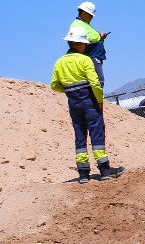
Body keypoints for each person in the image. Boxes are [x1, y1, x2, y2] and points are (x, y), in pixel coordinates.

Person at [51, 29, 124, 184]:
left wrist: (70, 90)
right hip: (89, 101)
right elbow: (95, 83)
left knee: (80, 136)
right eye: (84, 43)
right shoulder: (85, 60)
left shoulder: (59, 62)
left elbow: (55, 85)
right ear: (79, 44)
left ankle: (83, 174)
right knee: (96, 133)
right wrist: (99, 100)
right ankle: (104, 169)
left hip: (74, 103)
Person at [68, 1, 108, 88]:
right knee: (97, 80)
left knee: (97, 80)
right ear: (84, 13)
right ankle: (96, 99)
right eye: (90, 15)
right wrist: (98, 35)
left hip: (94, 56)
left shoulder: (86, 25)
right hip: (90, 57)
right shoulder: (77, 24)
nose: (91, 18)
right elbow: (88, 37)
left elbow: (93, 37)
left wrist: (100, 38)